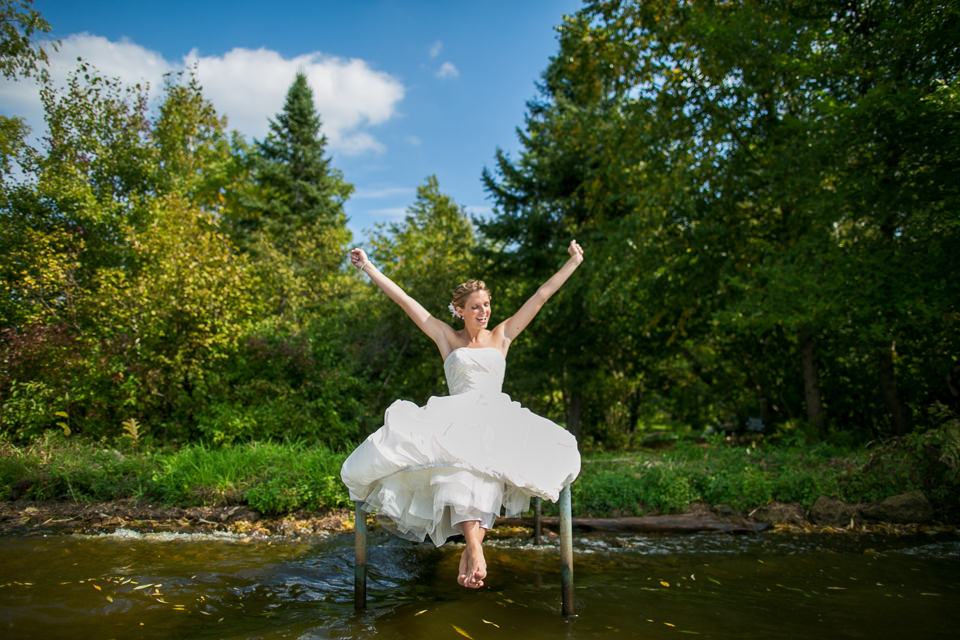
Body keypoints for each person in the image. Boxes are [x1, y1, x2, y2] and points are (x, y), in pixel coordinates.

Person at [340, 240, 584, 589]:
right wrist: (367, 267)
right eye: (475, 306)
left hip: (497, 417)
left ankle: (471, 551)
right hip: (455, 417)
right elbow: (405, 302)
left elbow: (541, 296)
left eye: (486, 305)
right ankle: (474, 550)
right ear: (460, 310)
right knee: (465, 464)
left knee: (485, 468)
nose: (484, 311)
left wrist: (573, 262)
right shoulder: (447, 338)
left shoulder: (502, 335)